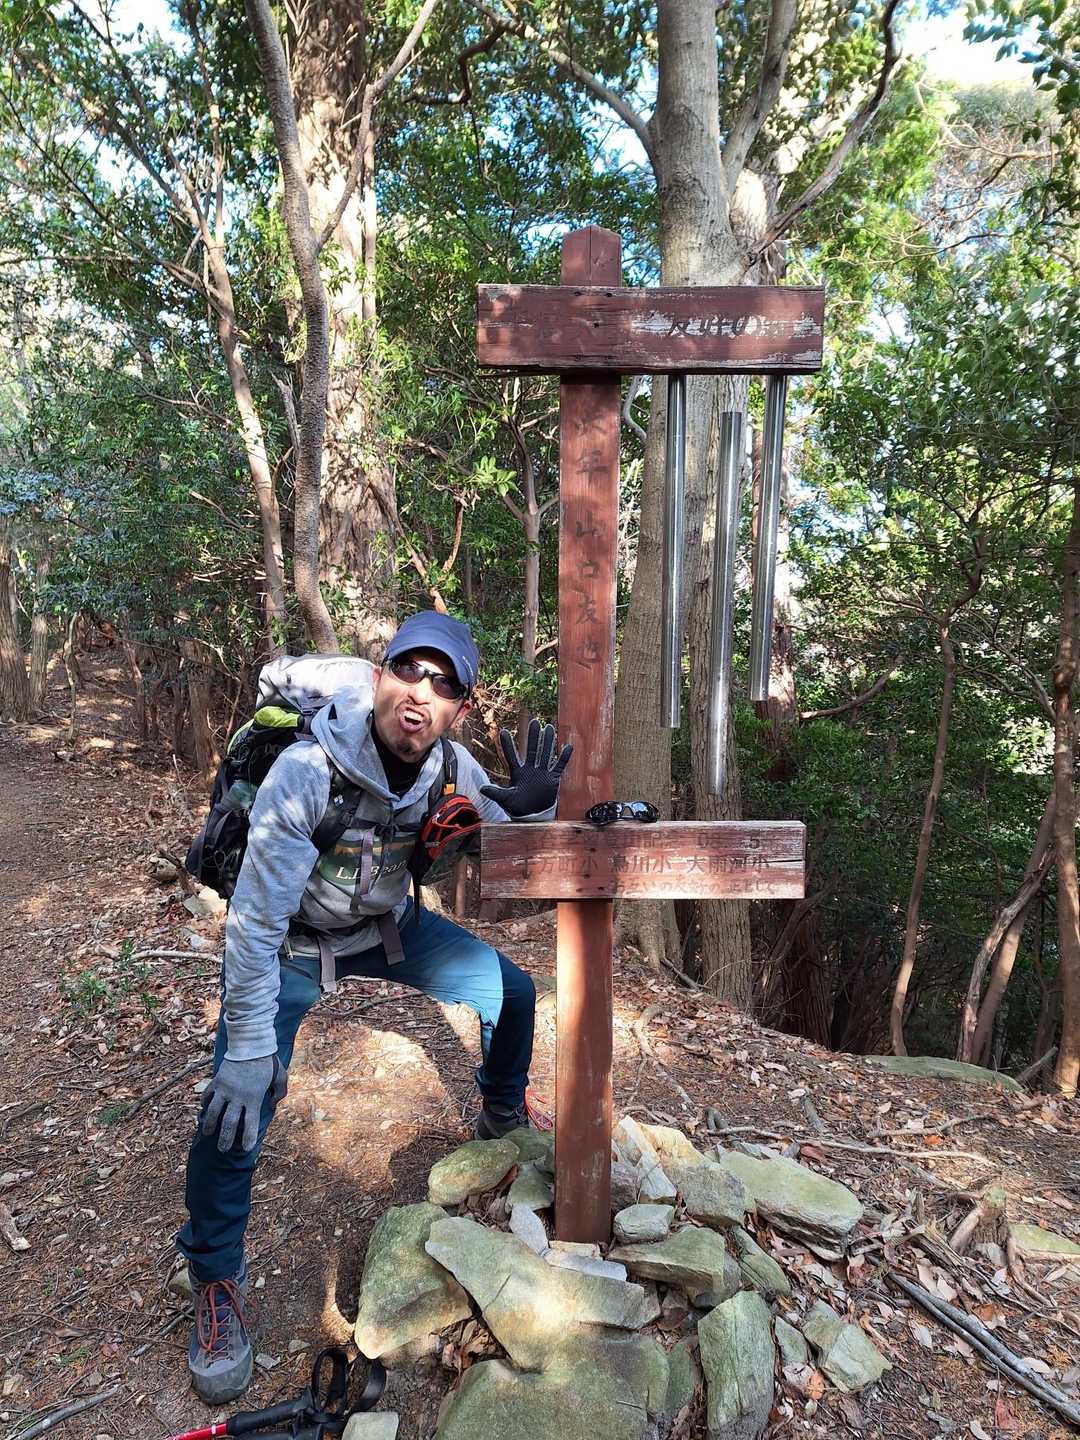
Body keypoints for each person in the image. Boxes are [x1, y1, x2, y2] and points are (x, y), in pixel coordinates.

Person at [176, 612, 571, 1404]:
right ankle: (215, 1275)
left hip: (383, 929)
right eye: (409, 671)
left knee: (514, 994)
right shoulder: (307, 769)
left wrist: (531, 806)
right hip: (290, 943)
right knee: (236, 1104)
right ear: (381, 673)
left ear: (459, 707)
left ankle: (500, 1111)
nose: (420, 693)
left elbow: (506, 828)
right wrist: (248, 1046)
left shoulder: (449, 764)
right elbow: (253, 920)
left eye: (443, 684)